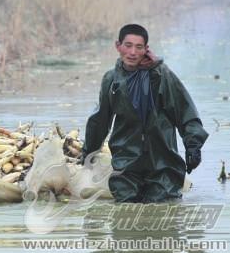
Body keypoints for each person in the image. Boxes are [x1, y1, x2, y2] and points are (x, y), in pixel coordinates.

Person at [82, 24, 208, 203]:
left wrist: (193, 146)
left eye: (138, 47)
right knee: (124, 215)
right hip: (126, 165)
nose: (132, 52)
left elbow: (184, 110)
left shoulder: (161, 75)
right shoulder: (111, 80)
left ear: (146, 49)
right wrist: (89, 151)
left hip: (163, 164)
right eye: (128, 45)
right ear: (118, 46)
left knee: (162, 213)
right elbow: (100, 120)